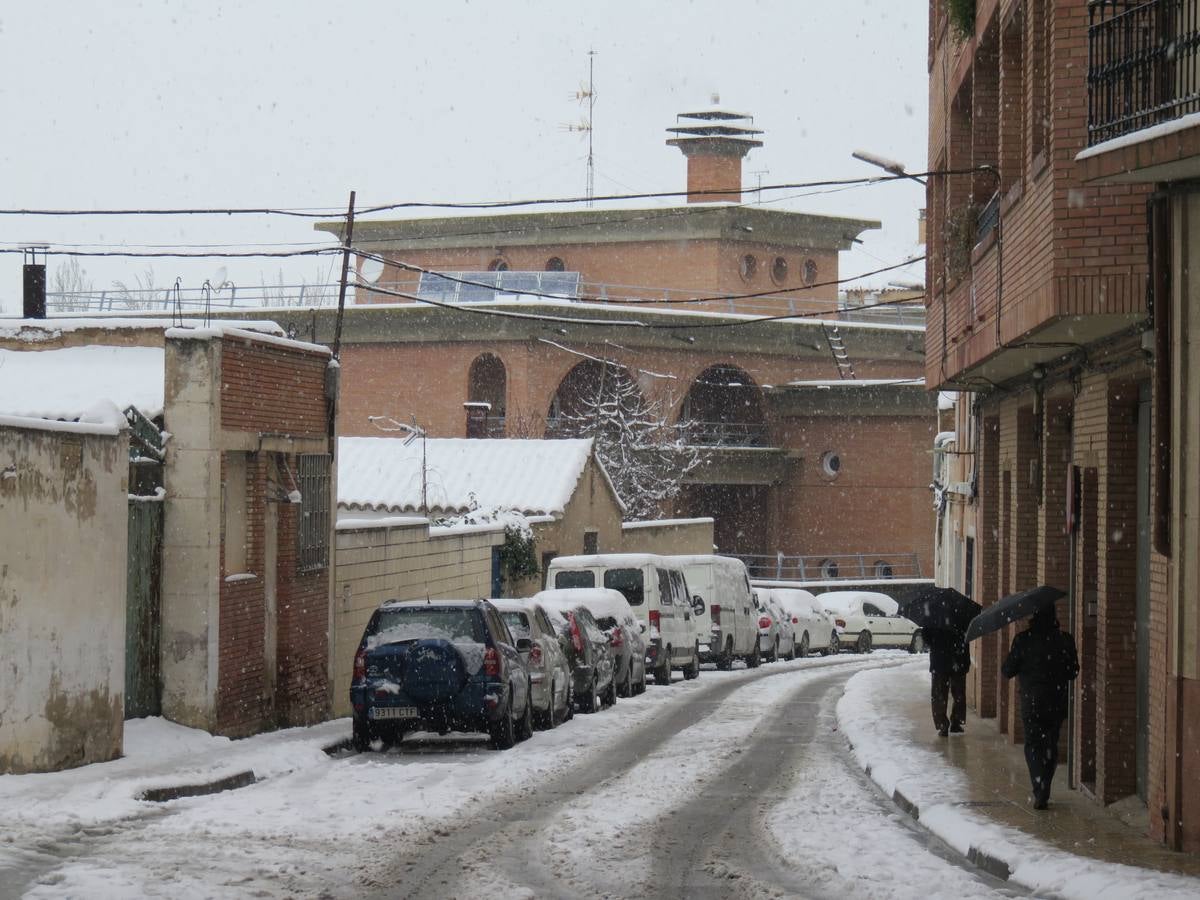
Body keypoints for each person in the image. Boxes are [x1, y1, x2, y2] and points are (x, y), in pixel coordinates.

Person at [1001, 607, 1079, 810]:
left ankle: (1039, 787)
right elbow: (1073, 671)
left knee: (1033, 746)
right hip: (1056, 702)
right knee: (1051, 745)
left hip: (1032, 703)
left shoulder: (1023, 639)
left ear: (1033, 617)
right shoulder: (1065, 640)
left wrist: (1019, 655)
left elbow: (1007, 670)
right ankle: (1045, 783)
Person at [925, 628, 970, 737]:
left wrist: (934, 642)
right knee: (958, 692)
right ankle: (956, 721)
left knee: (939, 694)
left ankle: (943, 724)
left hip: (941, 658)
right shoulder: (962, 614)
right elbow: (967, 635)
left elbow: (926, 635)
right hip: (957, 657)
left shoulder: (934, 615)